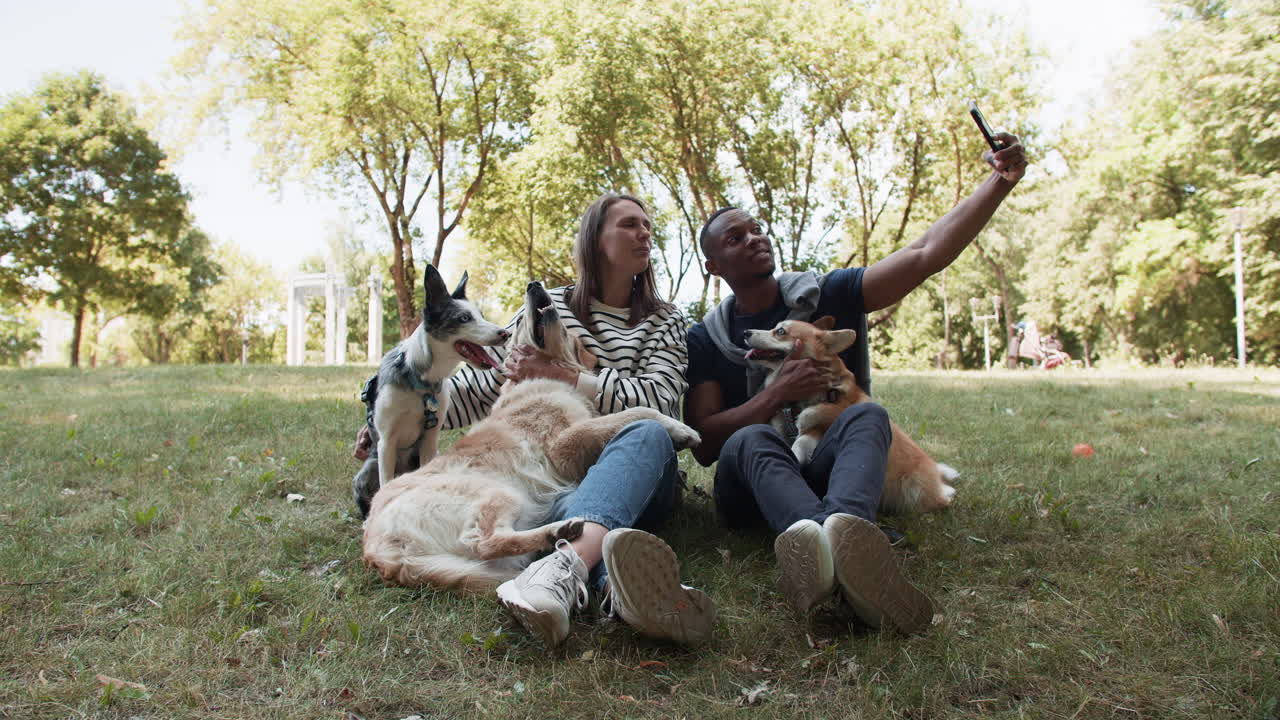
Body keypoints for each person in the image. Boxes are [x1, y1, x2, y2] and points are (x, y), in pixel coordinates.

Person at [683, 133, 1028, 634]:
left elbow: (925, 253)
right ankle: (846, 546)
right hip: (754, 488)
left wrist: (1000, 181)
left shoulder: (832, 293)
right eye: (735, 238)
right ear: (713, 266)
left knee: (868, 414)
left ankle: (839, 541)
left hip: (827, 473)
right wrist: (776, 393)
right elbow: (706, 447)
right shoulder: (707, 338)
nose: (754, 238)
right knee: (752, 436)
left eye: (756, 229)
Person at [357, 193, 714, 649]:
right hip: (560, 494)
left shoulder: (665, 321)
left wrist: (564, 375)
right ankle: (604, 588)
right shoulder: (549, 306)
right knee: (564, 512)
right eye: (629, 224)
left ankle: (561, 571)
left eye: (647, 224)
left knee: (644, 430)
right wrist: (389, 414)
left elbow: (659, 401)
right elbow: (486, 382)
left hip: (635, 469)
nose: (644, 232)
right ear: (594, 238)